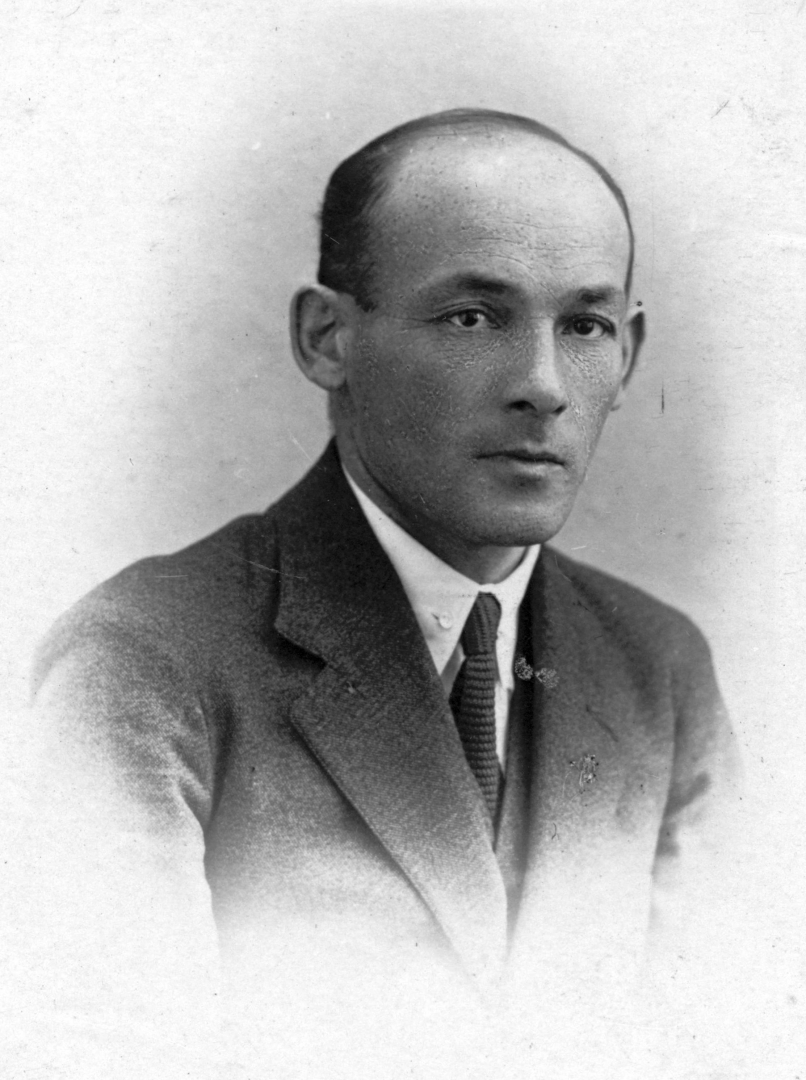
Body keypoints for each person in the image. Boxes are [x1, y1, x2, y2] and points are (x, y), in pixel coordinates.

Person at [26, 109, 740, 1079]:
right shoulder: (145, 659)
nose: (543, 386)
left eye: (584, 325)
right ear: (328, 338)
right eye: (471, 317)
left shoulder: (657, 667)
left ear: (628, 356)